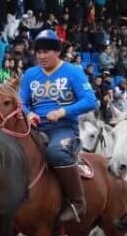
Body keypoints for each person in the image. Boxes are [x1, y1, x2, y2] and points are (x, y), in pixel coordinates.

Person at [20, 29, 98, 224]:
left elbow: (90, 100)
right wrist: (28, 113)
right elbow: (21, 102)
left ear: (57, 52)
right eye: (38, 52)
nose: (41, 56)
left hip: (63, 128)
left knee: (56, 153)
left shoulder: (73, 72)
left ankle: (77, 202)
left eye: (46, 52)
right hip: (35, 127)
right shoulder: (30, 74)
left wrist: (63, 111)